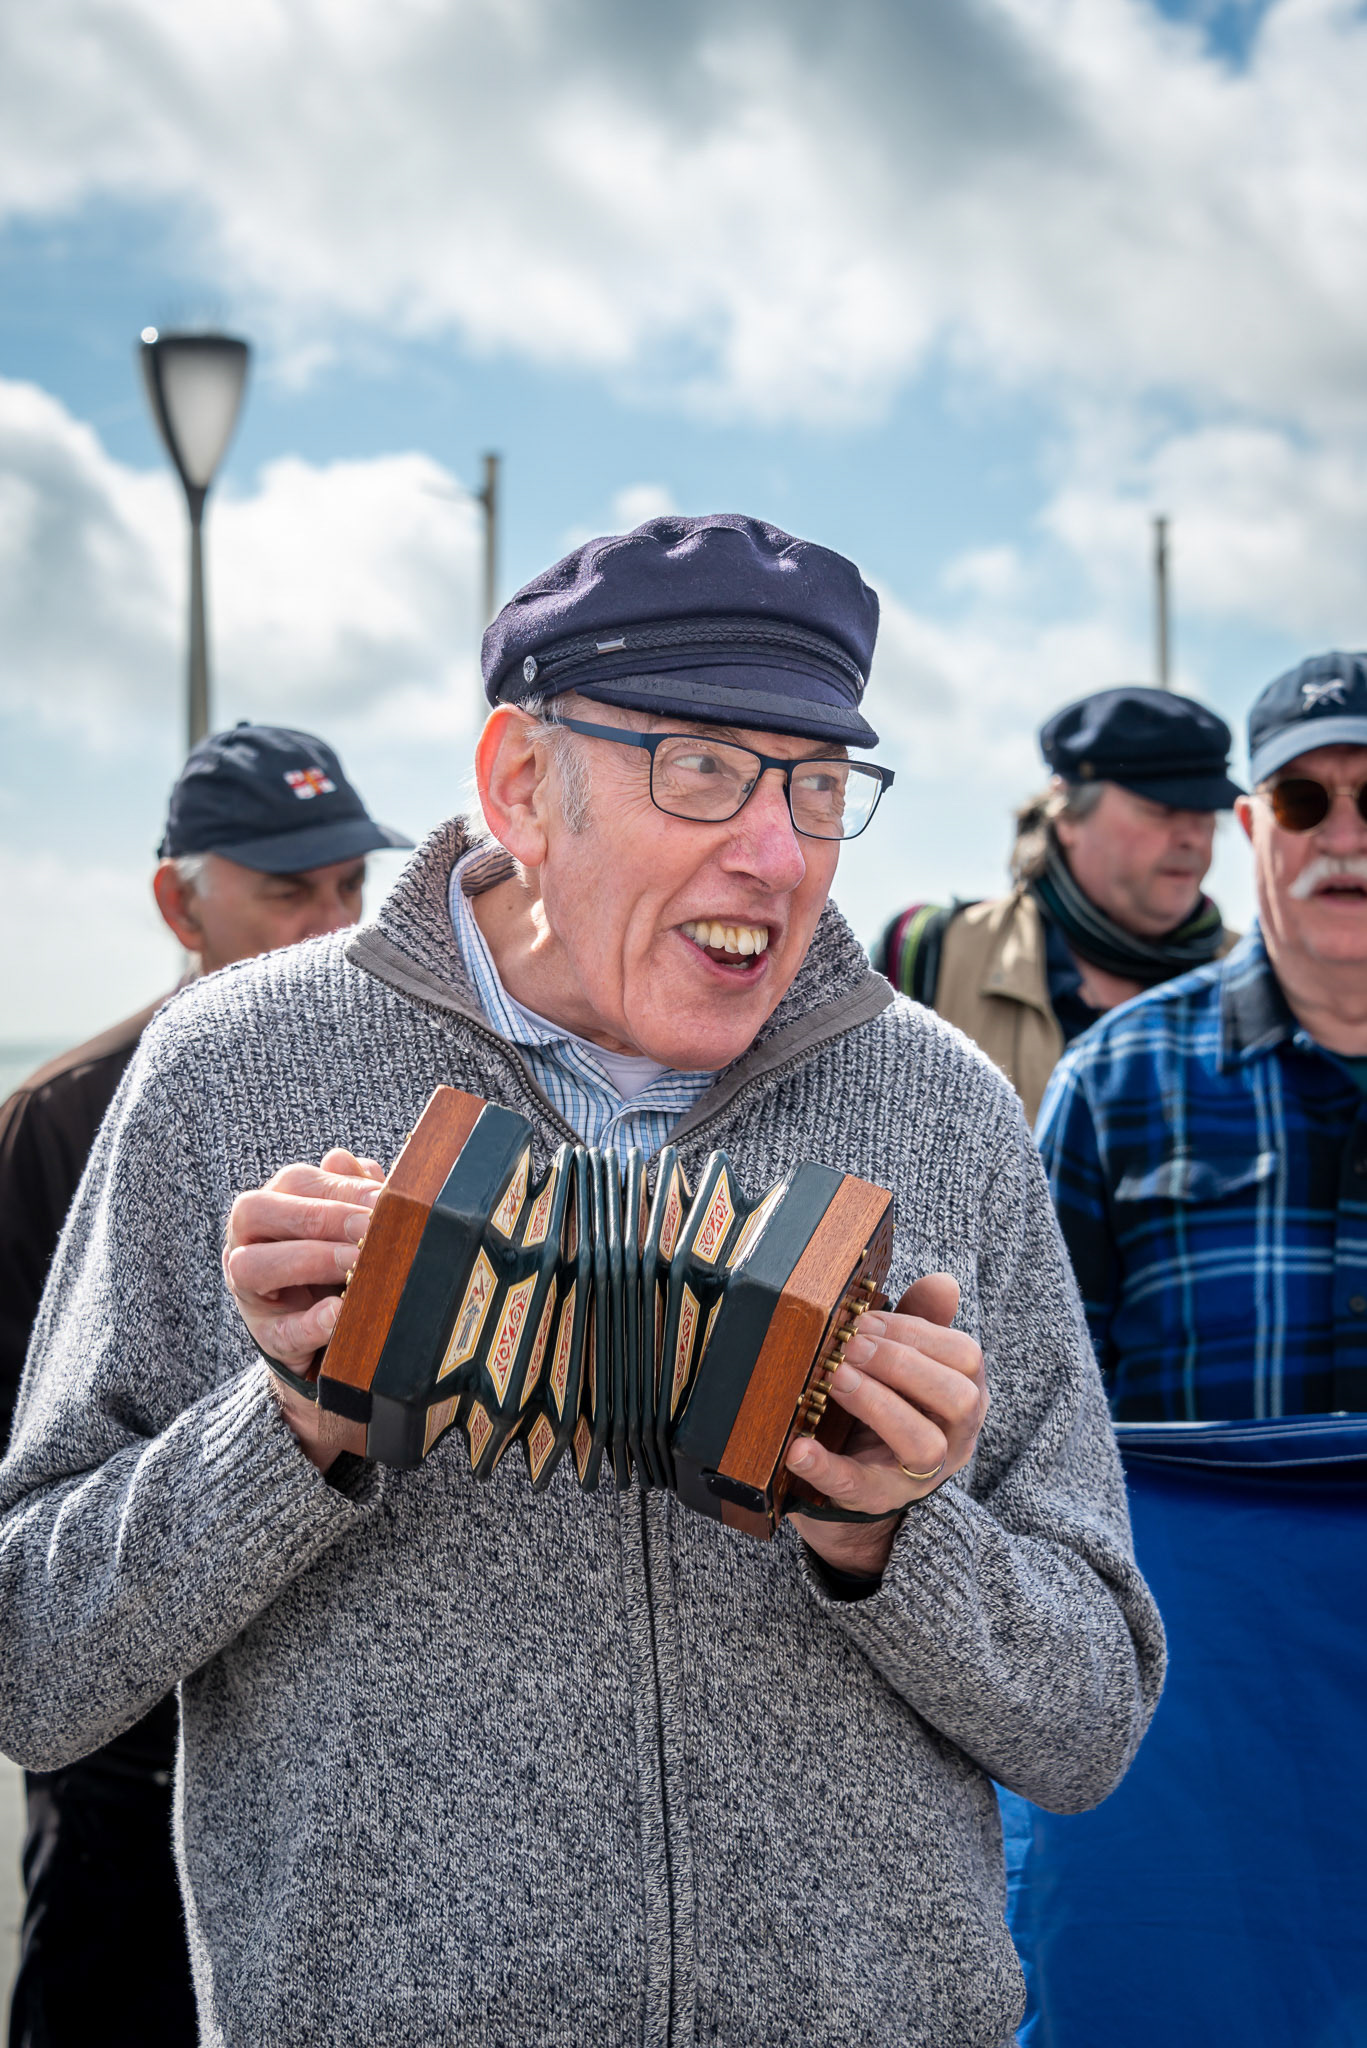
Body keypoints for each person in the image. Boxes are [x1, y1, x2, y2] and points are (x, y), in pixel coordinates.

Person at [0, 516, 1164, 2048]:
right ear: (518, 786)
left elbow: (1087, 1728)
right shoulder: (231, 1069)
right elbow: (36, 1666)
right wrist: (281, 1433)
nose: (774, 849)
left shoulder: (938, 1103)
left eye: (816, 787)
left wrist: (892, 1539)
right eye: (698, 768)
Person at [0, 721, 411, 2048]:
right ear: (180, 898)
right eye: (288, 889)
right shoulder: (62, 1118)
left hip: (359, 1753)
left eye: (350, 885)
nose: (329, 921)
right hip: (127, 1755)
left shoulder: (425, 1107)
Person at [1037, 651, 1367, 1419]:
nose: (1344, 836)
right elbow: (1033, 1422)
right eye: (1301, 800)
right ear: (1252, 826)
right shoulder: (1108, 1081)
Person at [876, 687, 1242, 1120]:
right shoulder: (929, 951)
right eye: (1161, 810)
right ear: (1068, 816)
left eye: (1206, 816)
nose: (1192, 838)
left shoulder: (1258, 975)